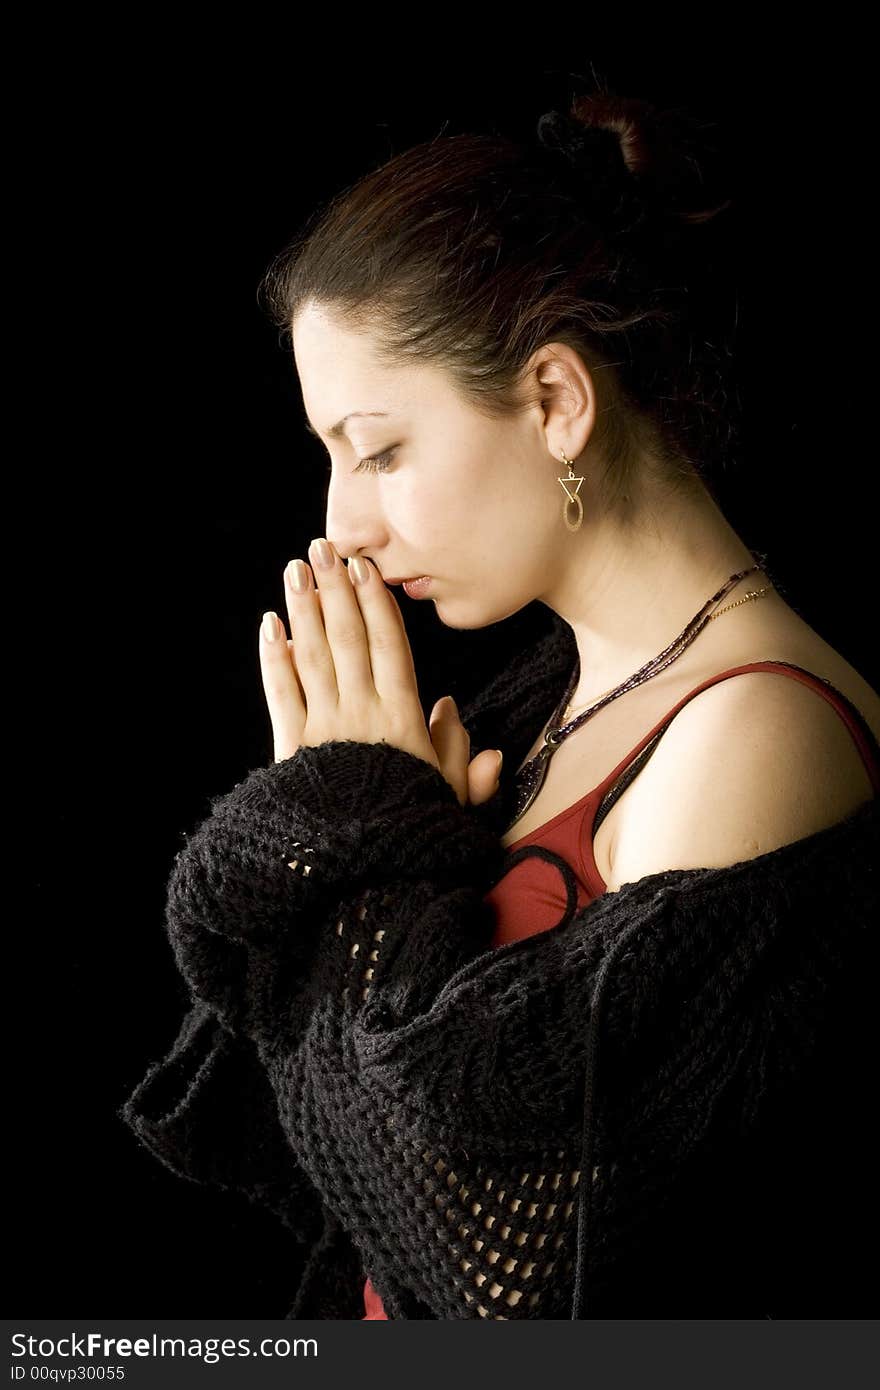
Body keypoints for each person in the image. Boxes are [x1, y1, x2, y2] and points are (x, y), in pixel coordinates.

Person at [118, 88, 880, 1319]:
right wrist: (376, 842)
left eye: (378, 448)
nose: (341, 522)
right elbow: (333, 1150)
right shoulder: (543, 699)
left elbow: (508, 1270)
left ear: (554, 400)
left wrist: (347, 847)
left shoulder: (754, 731)